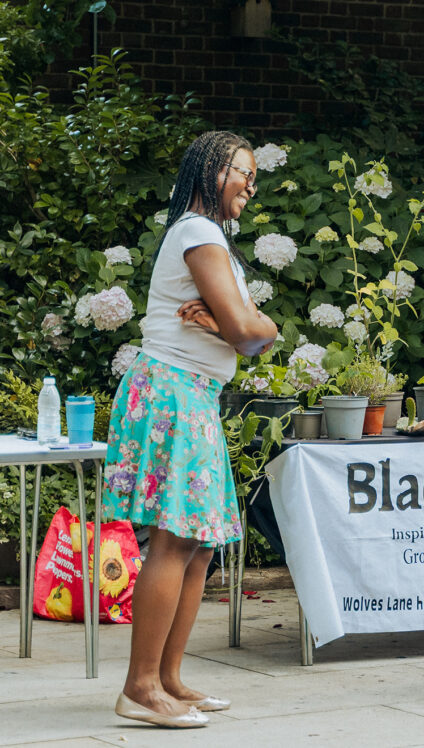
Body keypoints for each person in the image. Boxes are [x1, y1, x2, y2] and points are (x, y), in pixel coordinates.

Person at [103, 131, 279, 728]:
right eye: (241, 173)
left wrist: (239, 327)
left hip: (192, 394)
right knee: (175, 540)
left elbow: (256, 334)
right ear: (209, 171)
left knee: (198, 545)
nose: (250, 186)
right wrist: (235, 326)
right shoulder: (198, 232)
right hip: (174, 393)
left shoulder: (209, 239)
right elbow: (247, 332)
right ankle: (140, 686)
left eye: (255, 177)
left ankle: (170, 678)